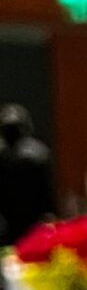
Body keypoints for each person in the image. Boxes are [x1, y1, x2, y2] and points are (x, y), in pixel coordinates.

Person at [0, 104, 55, 247]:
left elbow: (47, 188)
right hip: (12, 219)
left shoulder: (38, 154)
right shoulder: (39, 153)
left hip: (30, 217)